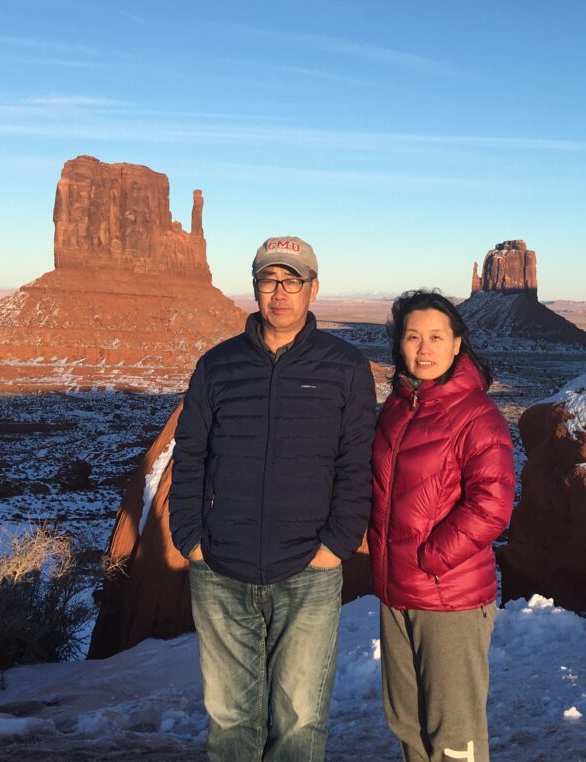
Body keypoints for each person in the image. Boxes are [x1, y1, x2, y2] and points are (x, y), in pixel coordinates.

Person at [169, 236, 376, 761]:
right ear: (256, 287)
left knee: (300, 724)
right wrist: (190, 539)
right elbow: (190, 454)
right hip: (220, 569)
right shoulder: (217, 365)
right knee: (230, 724)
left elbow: (357, 462)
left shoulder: (345, 366)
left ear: (313, 289)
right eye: (269, 280)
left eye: (293, 281)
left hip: (309, 570)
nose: (280, 292)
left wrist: (337, 545)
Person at [368, 289, 515, 762]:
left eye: (436, 336)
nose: (424, 348)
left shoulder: (478, 415)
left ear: (458, 345)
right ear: (400, 346)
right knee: (406, 723)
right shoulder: (395, 408)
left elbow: (493, 505)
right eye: (413, 337)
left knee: (454, 734)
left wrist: (430, 558)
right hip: (396, 593)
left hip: (446, 596)